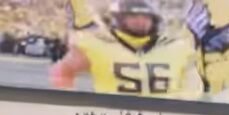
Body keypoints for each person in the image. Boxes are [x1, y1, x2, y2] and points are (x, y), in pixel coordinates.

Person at [51, 0, 201, 97]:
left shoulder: (176, 47)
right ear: (119, 18)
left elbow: (195, 85)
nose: (140, 21)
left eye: (145, 17)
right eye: (133, 16)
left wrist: (182, 102)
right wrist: (72, 104)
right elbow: (62, 71)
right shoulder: (96, 44)